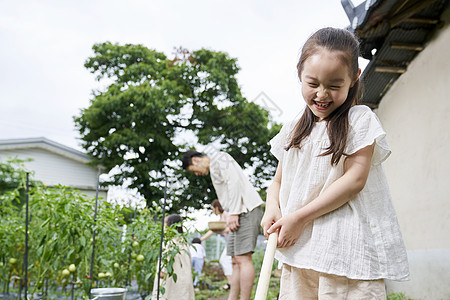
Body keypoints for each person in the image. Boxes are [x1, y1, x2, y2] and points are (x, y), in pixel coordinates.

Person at [261, 27, 410, 299]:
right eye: (313, 83)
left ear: (354, 78)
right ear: (299, 73)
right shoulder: (294, 128)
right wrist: (273, 206)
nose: (321, 94)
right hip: (300, 249)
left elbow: (355, 180)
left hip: (344, 252)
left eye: (334, 85)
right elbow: (279, 180)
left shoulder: (360, 120)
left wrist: (300, 217)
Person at [182, 150, 263, 300]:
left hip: (245, 210)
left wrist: (234, 213)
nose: (197, 174)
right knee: (234, 259)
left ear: (195, 160)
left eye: (194, 171)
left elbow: (234, 182)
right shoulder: (214, 167)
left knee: (243, 258)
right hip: (238, 211)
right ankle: (233, 297)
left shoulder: (219, 159)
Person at [152, 214, 194, 300]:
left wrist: (160, 272)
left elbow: (162, 273)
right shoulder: (184, 244)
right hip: (184, 283)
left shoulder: (168, 243)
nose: (163, 227)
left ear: (170, 226)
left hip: (171, 285)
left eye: (164, 224)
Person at [200, 199, 233, 290]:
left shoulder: (226, 214)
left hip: (234, 241)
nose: (213, 210)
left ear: (217, 207)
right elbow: (213, 230)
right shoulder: (222, 217)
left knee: (224, 260)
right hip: (230, 242)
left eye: (213, 208)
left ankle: (232, 284)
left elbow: (230, 228)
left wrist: (220, 231)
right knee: (228, 262)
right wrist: (201, 239)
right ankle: (231, 284)